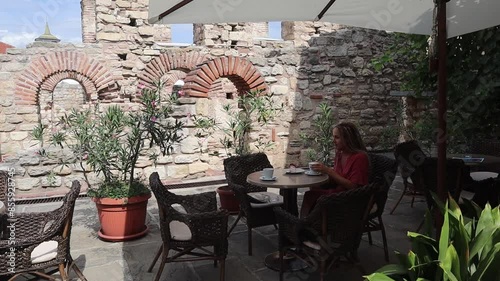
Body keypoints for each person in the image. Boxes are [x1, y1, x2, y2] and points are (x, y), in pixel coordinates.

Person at [300, 122, 370, 217]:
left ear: (347, 139)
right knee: (313, 189)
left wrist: (329, 171)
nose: (333, 141)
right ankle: (312, 223)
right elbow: (337, 177)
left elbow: (354, 187)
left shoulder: (360, 157)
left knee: (310, 196)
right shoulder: (340, 154)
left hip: (350, 198)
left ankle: (306, 224)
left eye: (337, 137)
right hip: (339, 192)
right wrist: (320, 174)